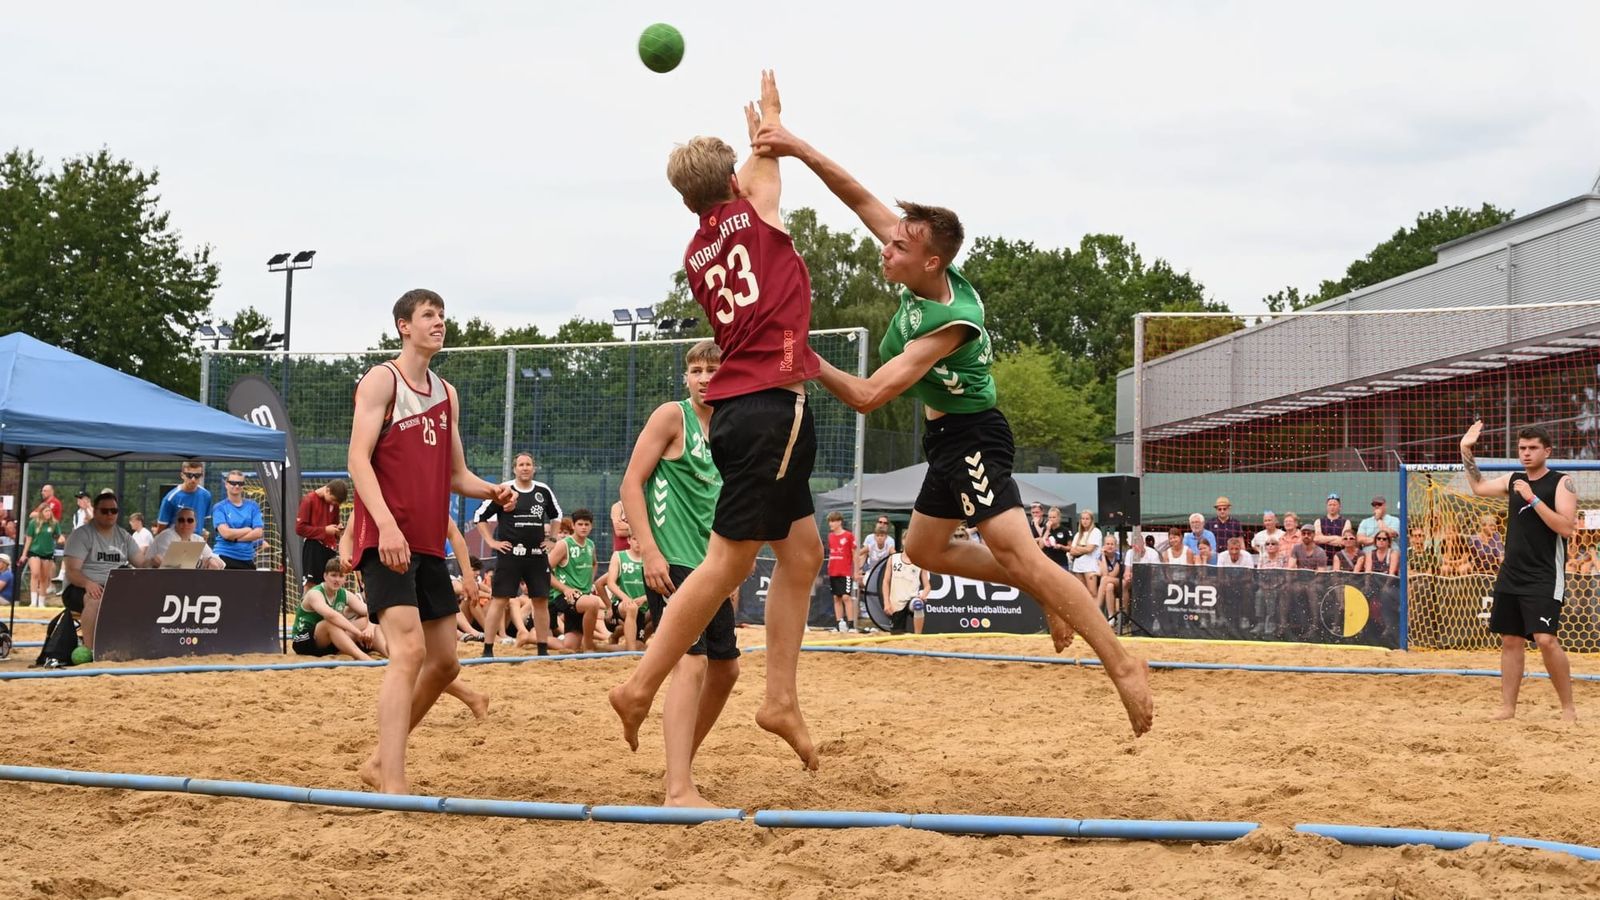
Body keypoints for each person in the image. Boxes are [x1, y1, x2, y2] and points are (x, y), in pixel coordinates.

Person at [753, 103, 1152, 736]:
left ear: (931, 260)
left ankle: (1123, 663)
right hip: (945, 438)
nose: (886, 248)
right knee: (922, 548)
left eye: (898, 245)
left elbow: (866, 397)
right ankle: (1050, 593)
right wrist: (792, 144)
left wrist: (802, 355)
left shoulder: (952, 322)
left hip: (975, 437)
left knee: (1022, 556)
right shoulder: (919, 266)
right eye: (891, 237)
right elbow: (856, 194)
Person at [609, 72, 828, 771]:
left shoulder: (696, 252)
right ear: (732, 179)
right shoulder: (752, 214)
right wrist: (770, 122)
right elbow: (767, 174)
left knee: (802, 554)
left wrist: (755, 145)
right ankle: (640, 684)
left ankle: (781, 699)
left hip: (742, 409)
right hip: (771, 405)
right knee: (726, 563)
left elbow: (755, 177)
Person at [346, 288, 513, 794]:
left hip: (424, 544)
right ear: (404, 326)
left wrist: (491, 489)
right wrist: (386, 525)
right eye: (428, 315)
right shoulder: (382, 380)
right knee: (408, 653)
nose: (439, 323)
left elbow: (456, 473)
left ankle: (379, 761)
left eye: (441, 315)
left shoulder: (446, 392)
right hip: (387, 539)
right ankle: (393, 780)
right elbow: (357, 460)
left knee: (444, 662)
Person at [617, 338, 743, 806]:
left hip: (710, 566)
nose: (706, 377)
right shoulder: (673, 416)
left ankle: (678, 763)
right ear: (685, 377)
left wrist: (731, 570)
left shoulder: (732, 426)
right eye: (696, 370)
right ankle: (678, 789)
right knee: (690, 663)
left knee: (726, 670)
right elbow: (631, 481)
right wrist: (648, 552)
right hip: (670, 563)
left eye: (713, 368)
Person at [1460, 420, 1578, 722]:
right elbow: (1477, 487)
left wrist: (1533, 498)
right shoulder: (1514, 479)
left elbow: (1566, 528)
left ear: (1546, 450)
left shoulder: (1561, 482)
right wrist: (1466, 450)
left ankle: (1568, 708)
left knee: (1545, 639)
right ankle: (1508, 708)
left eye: (1532, 448)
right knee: (1510, 640)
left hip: (1544, 575)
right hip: (1511, 572)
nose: (1526, 453)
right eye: (1522, 448)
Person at [475, 452, 561, 656]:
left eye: (528, 464)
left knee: (540, 600)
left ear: (534, 468)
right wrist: (491, 542)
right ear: (514, 468)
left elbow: (557, 515)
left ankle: (542, 649)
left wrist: (552, 539)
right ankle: (488, 649)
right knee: (500, 599)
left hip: (536, 555)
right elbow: (480, 516)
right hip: (510, 554)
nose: (525, 468)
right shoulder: (504, 490)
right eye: (521, 464)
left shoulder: (543, 490)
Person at [62, 490, 155, 654]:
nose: (110, 514)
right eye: (105, 511)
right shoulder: (82, 535)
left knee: (146, 597)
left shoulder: (123, 536)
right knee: (95, 599)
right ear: (95, 512)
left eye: (114, 511)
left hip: (114, 587)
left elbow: (141, 563)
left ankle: (138, 646)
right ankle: (90, 650)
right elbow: (72, 571)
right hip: (79, 587)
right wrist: (88, 583)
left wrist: (154, 561)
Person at [292, 559, 384, 659]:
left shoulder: (345, 594)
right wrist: (357, 633)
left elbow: (371, 611)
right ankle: (364, 658)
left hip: (329, 640)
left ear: (345, 579)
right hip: (303, 640)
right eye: (333, 575)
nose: (337, 580)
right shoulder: (315, 594)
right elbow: (331, 616)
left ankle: (389, 653)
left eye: (341, 576)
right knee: (329, 623)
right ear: (325, 576)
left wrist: (369, 628)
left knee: (366, 621)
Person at [546, 509, 606, 652]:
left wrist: (590, 582)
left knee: (570, 647)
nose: (584, 527)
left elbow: (594, 563)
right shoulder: (564, 545)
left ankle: (528, 638)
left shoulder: (590, 545)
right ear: (573, 525)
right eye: (580, 524)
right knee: (593, 603)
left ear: (591, 526)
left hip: (581, 598)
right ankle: (588, 644)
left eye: (587, 524)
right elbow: (544, 570)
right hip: (565, 596)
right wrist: (565, 589)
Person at [598, 532, 650, 651]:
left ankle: (613, 645)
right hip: (621, 605)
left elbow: (659, 587)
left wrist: (644, 598)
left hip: (641, 608)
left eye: (640, 538)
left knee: (641, 646)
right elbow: (608, 583)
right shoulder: (619, 556)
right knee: (631, 608)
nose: (638, 542)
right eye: (635, 539)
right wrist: (611, 605)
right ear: (629, 540)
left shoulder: (649, 559)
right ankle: (630, 652)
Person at [296, 479, 348, 588]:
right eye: (333, 500)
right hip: (313, 548)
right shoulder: (309, 500)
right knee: (311, 585)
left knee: (330, 584)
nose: (334, 503)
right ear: (327, 490)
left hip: (330, 549)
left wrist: (338, 530)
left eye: (336, 503)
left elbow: (334, 525)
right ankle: (307, 605)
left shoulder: (335, 505)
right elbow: (300, 529)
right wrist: (324, 530)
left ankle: (327, 605)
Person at [211, 470, 265, 569]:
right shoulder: (219, 507)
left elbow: (258, 533)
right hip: (224, 555)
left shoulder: (253, 506)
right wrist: (247, 530)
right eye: (233, 483)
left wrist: (235, 539)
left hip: (247, 557)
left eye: (240, 483)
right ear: (226, 484)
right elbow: (226, 533)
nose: (236, 486)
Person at [150, 508, 225, 569]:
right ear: (176, 522)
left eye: (190, 520)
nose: (185, 523)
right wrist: (203, 561)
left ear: (196, 523)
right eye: (181, 520)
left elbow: (219, 562)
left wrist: (212, 560)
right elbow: (168, 565)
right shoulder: (166, 536)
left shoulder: (198, 539)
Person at [884, 542, 932, 635]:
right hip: (896, 603)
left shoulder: (921, 561)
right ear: (903, 541)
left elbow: (927, 586)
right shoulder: (893, 558)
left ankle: (918, 635)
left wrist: (923, 595)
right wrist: (886, 603)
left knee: (918, 604)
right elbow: (886, 582)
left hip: (911, 599)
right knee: (896, 634)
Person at [156, 461, 212, 535]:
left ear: (202, 476)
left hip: (196, 540)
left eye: (197, 475)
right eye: (189, 475)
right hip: (175, 541)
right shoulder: (171, 498)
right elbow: (161, 528)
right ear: (182, 475)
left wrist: (203, 533)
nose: (193, 479)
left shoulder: (206, 495)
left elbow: (203, 521)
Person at [23, 502, 61, 608]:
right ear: (41, 512)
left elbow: (58, 536)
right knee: (35, 573)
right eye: (46, 511)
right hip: (35, 551)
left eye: (49, 511)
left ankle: (41, 602)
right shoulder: (33, 523)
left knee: (44, 577)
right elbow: (29, 539)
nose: (48, 513)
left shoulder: (54, 523)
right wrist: (24, 554)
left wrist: (61, 539)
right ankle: (33, 601)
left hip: (47, 553)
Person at [825, 512, 857, 632]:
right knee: (836, 598)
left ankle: (851, 625)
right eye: (830, 521)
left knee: (846, 597)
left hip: (845, 571)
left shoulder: (848, 536)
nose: (831, 524)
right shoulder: (830, 536)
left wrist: (856, 570)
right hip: (833, 571)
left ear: (839, 522)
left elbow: (855, 554)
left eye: (833, 521)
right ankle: (839, 624)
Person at [1068, 510, 1103, 596]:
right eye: (1083, 518)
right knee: (1081, 593)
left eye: (1087, 518)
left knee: (1092, 592)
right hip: (1078, 565)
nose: (1085, 521)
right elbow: (1072, 551)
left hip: (1090, 566)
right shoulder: (1078, 534)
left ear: (1091, 520)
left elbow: (1090, 549)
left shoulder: (1096, 532)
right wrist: (1083, 548)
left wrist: (1078, 547)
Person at [857, 516, 897, 591]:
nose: (882, 524)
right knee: (858, 581)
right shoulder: (870, 540)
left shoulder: (890, 541)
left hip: (884, 571)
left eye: (885, 523)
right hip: (870, 568)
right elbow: (862, 554)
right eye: (880, 522)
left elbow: (894, 556)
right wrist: (859, 568)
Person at [1314, 494, 1350, 566]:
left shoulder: (1346, 522)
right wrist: (1336, 538)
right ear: (1327, 506)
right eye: (1330, 505)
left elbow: (1344, 541)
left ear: (1339, 506)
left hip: (1339, 561)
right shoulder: (1318, 521)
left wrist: (1324, 539)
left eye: (1334, 505)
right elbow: (1317, 539)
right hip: (1322, 561)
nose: (1332, 507)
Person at [1095, 535, 1123, 621]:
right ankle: (1111, 617)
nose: (1110, 546)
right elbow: (1105, 573)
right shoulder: (1100, 556)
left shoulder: (1119, 556)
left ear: (1116, 546)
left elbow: (1113, 574)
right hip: (1108, 583)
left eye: (1112, 544)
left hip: (1120, 582)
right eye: (1107, 544)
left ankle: (1096, 609)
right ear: (1104, 545)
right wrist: (1103, 556)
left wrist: (1105, 575)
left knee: (1105, 580)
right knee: (1109, 586)